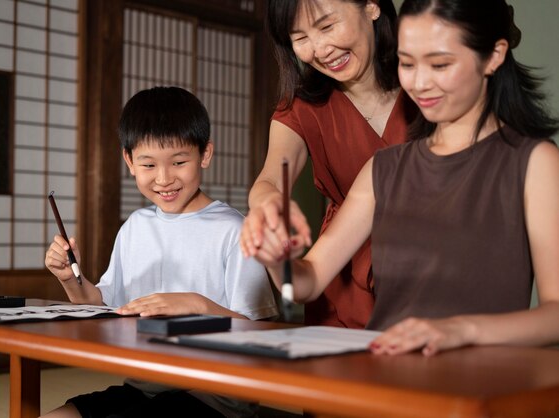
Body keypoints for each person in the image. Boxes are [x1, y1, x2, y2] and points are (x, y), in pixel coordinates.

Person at [242, 0, 559, 356]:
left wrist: (462, 329)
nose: (420, 83)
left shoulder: (535, 163)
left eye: (440, 64)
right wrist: (275, 257)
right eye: (407, 64)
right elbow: (305, 284)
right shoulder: (383, 168)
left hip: (479, 387)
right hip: (386, 376)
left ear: (494, 56)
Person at [43, 86, 278, 418]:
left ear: (205, 154)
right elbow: (101, 307)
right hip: (145, 386)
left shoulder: (234, 230)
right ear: (129, 161)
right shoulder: (135, 227)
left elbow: (262, 338)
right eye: (149, 164)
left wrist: (196, 304)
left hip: (212, 395)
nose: (165, 179)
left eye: (179, 162)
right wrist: (70, 279)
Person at [243, 0, 416, 328]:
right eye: (300, 38)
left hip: (429, 268)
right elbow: (270, 179)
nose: (320, 49)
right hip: (339, 271)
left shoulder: (428, 87)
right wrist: (270, 207)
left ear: (371, 7)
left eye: (326, 26)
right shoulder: (301, 106)